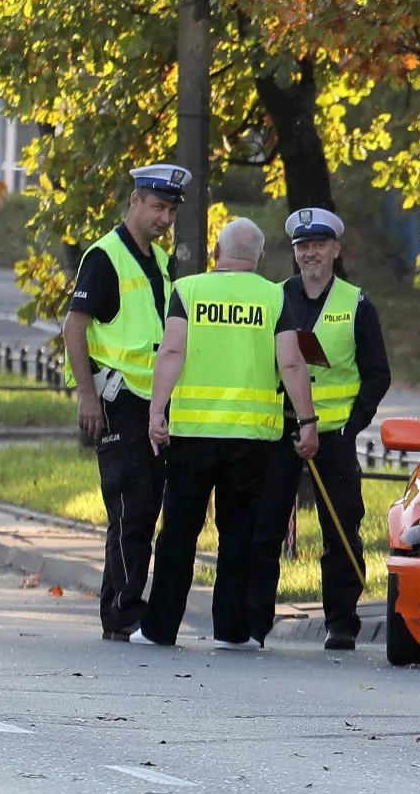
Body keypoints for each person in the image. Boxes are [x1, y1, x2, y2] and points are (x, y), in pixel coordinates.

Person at [135, 217, 319, 649]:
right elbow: (292, 364)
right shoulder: (274, 297)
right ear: (258, 257)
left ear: (217, 251)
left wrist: (156, 410)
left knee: (179, 531)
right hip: (252, 439)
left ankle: (160, 627)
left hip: (193, 434)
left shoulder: (190, 291)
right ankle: (233, 630)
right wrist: (308, 422)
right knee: (238, 533)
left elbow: (173, 351)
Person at [244, 208, 392, 650]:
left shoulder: (357, 304)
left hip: (333, 433)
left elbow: (377, 374)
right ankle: (255, 620)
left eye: (319, 245)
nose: (310, 253)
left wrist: (351, 425)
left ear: (335, 250)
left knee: (342, 526)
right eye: (302, 246)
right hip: (280, 429)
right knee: (265, 525)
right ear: (294, 253)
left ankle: (341, 621)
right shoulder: (274, 298)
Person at [62, 164, 180, 640]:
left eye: (171, 210)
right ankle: (124, 611)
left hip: (153, 403)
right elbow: (74, 327)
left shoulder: (160, 260)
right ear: (134, 202)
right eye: (157, 207)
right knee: (131, 509)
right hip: (119, 400)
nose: (164, 218)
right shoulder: (106, 257)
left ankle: (120, 607)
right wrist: (87, 396)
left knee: (143, 509)